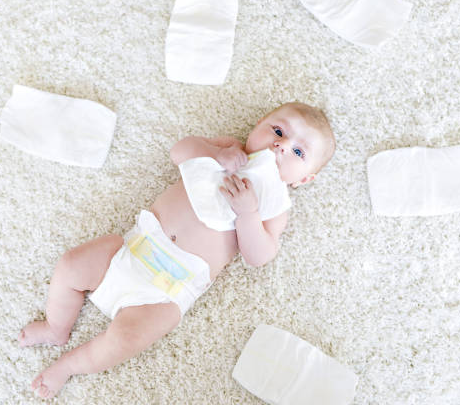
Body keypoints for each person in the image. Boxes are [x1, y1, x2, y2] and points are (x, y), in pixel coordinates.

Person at [19, 102, 336, 398]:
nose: (280, 145)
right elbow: (179, 152)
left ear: (304, 179)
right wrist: (214, 153)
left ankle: (69, 366)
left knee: (128, 339)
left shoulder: (273, 206)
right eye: (278, 131)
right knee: (73, 264)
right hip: (134, 248)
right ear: (257, 127)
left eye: (297, 151)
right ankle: (55, 326)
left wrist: (248, 214)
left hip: (168, 290)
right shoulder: (229, 149)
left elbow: (259, 256)